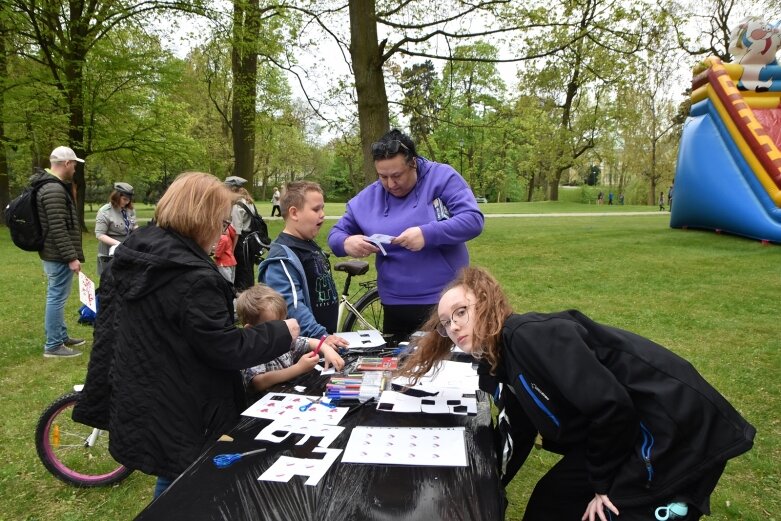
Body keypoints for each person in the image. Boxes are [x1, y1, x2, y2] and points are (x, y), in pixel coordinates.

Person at [398, 266, 755, 521]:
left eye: (461, 312)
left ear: (487, 303)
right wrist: (488, 483)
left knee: (610, 509)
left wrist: (602, 486)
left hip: (673, 431)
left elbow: (612, 406)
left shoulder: (527, 336)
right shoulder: (501, 359)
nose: (454, 325)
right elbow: (519, 431)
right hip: (620, 430)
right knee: (550, 504)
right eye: (446, 322)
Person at [99, 172, 299, 499]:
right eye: (221, 223)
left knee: (175, 471)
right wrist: (279, 332)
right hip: (178, 399)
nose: (223, 232)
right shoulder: (192, 277)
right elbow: (223, 348)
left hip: (146, 386)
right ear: (203, 219)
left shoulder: (141, 250)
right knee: (185, 477)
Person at [327, 128, 484, 340]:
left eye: (397, 175)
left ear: (414, 163)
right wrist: (347, 242)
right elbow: (335, 234)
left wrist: (427, 234)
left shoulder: (442, 178)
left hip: (445, 300)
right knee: (399, 366)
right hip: (395, 304)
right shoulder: (369, 198)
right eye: (383, 176)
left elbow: (472, 220)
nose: (391, 184)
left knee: (450, 367)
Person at [258, 181, 348, 348]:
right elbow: (292, 305)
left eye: (323, 208)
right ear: (294, 213)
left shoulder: (307, 243)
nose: (322, 214)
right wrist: (320, 336)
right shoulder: (282, 257)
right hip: (305, 347)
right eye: (315, 209)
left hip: (323, 341)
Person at [237, 284, 345, 394]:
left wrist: (327, 350)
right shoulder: (251, 350)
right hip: (265, 406)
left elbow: (309, 342)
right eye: (272, 328)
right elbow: (259, 382)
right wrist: (299, 368)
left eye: (282, 324)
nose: (280, 331)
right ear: (250, 330)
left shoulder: (283, 340)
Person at [35, 146, 86, 358]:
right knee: (56, 297)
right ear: (66, 163)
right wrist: (71, 257)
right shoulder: (53, 190)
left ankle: (61, 336)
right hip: (58, 256)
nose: (75, 168)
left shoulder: (51, 186)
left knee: (58, 296)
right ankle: (54, 345)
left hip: (55, 254)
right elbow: (58, 228)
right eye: (74, 164)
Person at [94, 182, 137, 277]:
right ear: (117, 196)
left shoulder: (130, 210)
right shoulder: (105, 211)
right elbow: (100, 235)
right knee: (109, 282)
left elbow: (133, 226)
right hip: (109, 254)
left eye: (129, 200)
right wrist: (119, 244)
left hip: (127, 251)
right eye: (124, 199)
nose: (127, 202)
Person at [225, 175, 259, 291]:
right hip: (250, 240)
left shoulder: (237, 206)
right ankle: (250, 292)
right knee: (248, 268)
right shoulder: (249, 202)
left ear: (232, 189)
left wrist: (231, 250)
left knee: (241, 270)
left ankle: (243, 295)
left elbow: (237, 231)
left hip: (240, 242)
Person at [214, 219, 237, 285]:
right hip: (231, 261)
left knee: (225, 283)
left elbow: (217, 254)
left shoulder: (223, 238)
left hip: (223, 263)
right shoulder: (228, 235)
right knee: (231, 283)